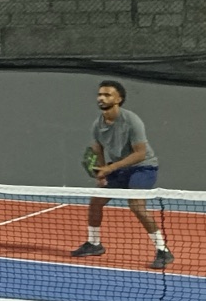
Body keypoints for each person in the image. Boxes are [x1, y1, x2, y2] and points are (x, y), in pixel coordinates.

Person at [70, 80, 173, 269]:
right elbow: (98, 149)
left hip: (143, 167)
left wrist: (111, 168)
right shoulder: (97, 125)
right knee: (96, 201)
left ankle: (163, 250)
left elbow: (140, 153)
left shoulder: (131, 120)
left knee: (136, 205)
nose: (101, 97)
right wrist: (102, 172)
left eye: (107, 95)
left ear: (119, 99)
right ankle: (94, 244)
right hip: (118, 169)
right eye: (100, 94)